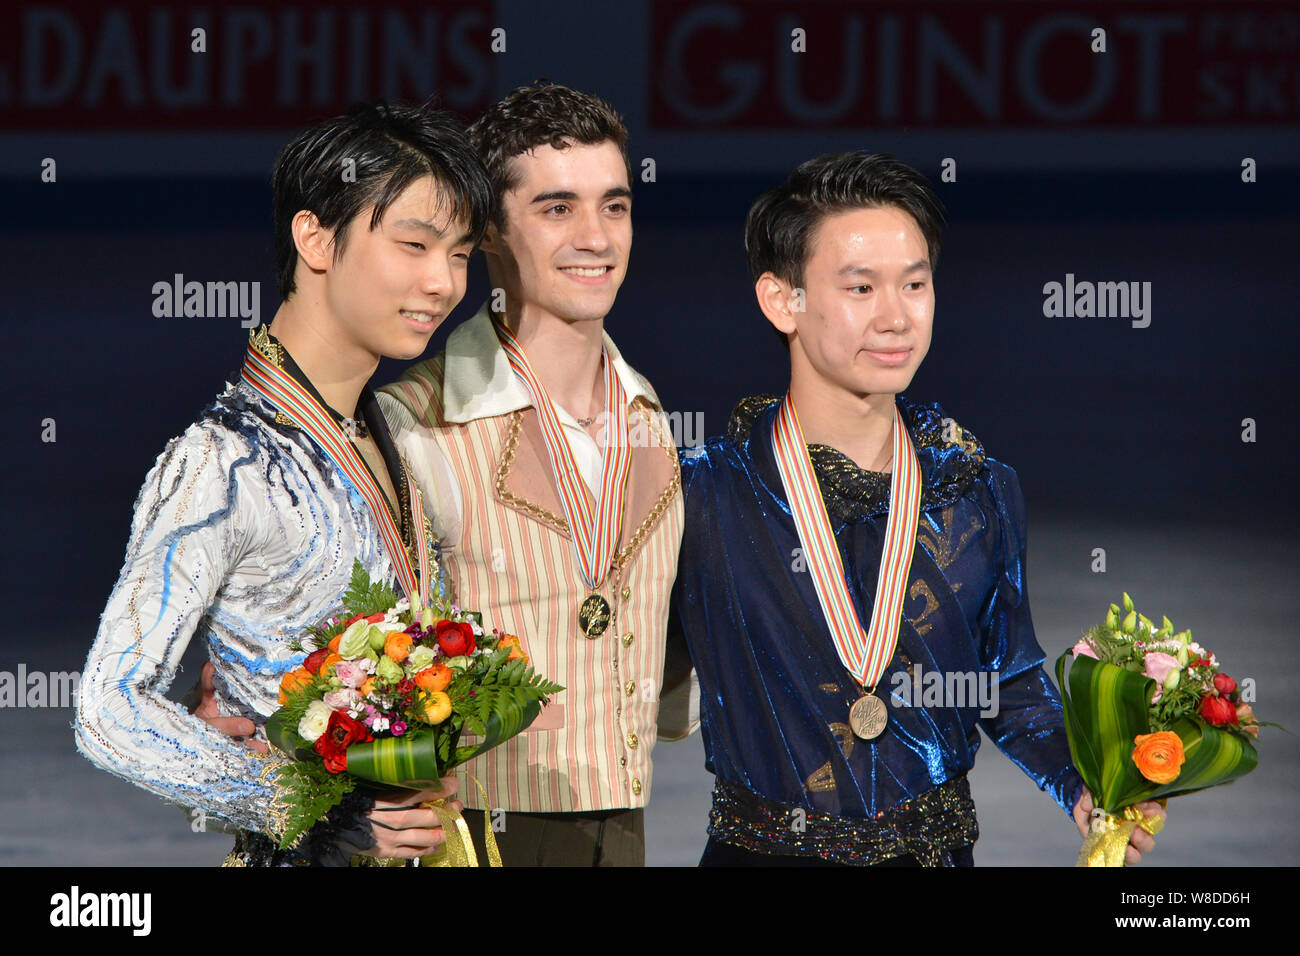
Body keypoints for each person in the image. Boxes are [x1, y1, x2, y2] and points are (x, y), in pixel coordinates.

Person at [668, 151, 1166, 866]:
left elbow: (1009, 683)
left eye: (916, 283)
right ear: (783, 300)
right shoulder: (705, 494)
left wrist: (1085, 781)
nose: (897, 316)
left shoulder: (978, 489)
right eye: (862, 287)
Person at [73, 102, 494, 866]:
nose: (444, 282)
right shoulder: (221, 462)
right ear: (314, 239)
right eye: (414, 244)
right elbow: (108, 711)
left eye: (461, 255)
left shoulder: (387, 434)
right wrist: (303, 807)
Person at [375, 81, 689, 866]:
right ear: (487, 232)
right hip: (469, 832)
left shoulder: (650, 416)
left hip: (621, 824)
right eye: (558, 209)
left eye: (613, 206)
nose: (596, 236)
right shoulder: (416, 425)